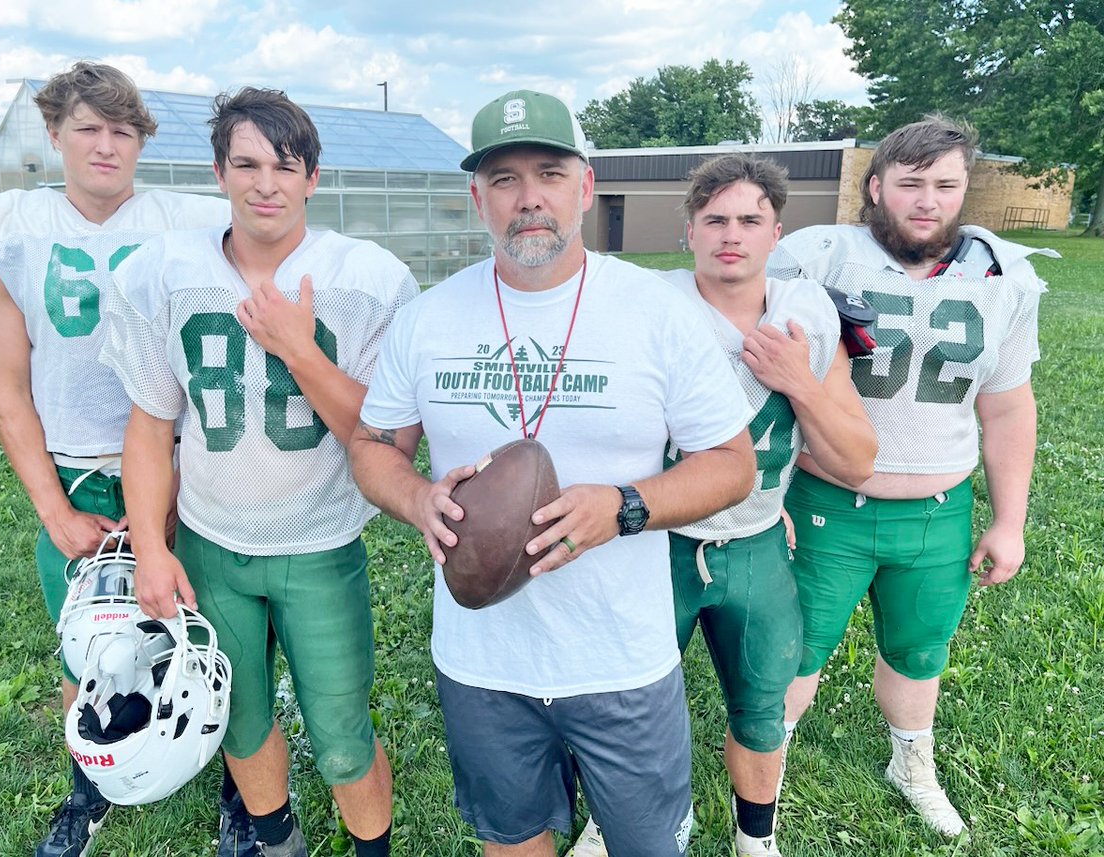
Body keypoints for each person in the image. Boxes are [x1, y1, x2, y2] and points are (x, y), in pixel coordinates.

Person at [349, 89, 758, 857]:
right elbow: (373, 446)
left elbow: (734, 464)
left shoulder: (652, 310)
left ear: (586, 187)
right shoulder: (428, 318)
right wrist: (416, 496)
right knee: (511, 839)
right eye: (504, 179)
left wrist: (624, 507)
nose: (528, 198)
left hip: (620, 657)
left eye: (548, 172)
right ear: (477, 197)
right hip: (481, 657)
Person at [101, 86, 416, 857]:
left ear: (314, 177)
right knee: (236, 718)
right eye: (246, 163)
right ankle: (279, 843)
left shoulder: (368, 278)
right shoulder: (165, 272)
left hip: (320, 542)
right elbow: (151, 424)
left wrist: (299, 348)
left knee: (343, 734)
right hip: (212, 541)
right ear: (219, 172)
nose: (265, 182)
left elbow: (389, 444)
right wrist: (150, 544)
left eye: (285, 164)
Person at [0, 61, 230, 857]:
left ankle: (243, 787)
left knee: (216, 629)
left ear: (141, 140)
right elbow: (7, 389)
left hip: (182, 464)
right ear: (54, 135)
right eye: (88, 128)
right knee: (89, 644)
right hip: (77, 469)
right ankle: (91, 785)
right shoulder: (10, 229)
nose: (106, 146)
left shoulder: (187, 219)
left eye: (122, 130)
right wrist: (54, 509)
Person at [573, 154, 876, 857]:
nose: (730, 234)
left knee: (762, 707)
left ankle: (755, 838)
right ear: (689, 231)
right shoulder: (646, 306)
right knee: (623, 706)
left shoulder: (806, 316)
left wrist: (799, 381)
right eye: (715, 219)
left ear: (778, 233)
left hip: (756, 541)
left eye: (749, 219)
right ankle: (605, 819)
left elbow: (858, 457)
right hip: (654, 541)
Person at [767, 116, 1053, 836]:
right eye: (911, 183)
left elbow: (1010, 407)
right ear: (876, 186)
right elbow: (759, 383)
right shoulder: (819, 257)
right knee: (794, 652)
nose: (928, 200)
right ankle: (765, 772)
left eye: (946, 185)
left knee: (920, 652)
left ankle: (911, 762)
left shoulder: (1002, 275)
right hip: (823, 498)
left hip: (937, 507)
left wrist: (1009, 520)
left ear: (965, 188)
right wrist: (764, 492)